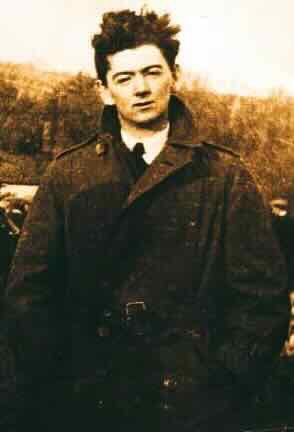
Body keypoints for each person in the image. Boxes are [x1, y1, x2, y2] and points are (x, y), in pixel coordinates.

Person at [1, 8, 289, 432]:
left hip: (194, 410)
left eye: (152, 72)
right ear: (103, 90)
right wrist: (58, 382)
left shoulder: (225, 176)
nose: (140, 88)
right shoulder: (68, 175)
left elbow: (262, 301)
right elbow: (28, 295)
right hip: (84, 405)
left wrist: (221, 385)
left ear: (176, 75)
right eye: (124, 77)